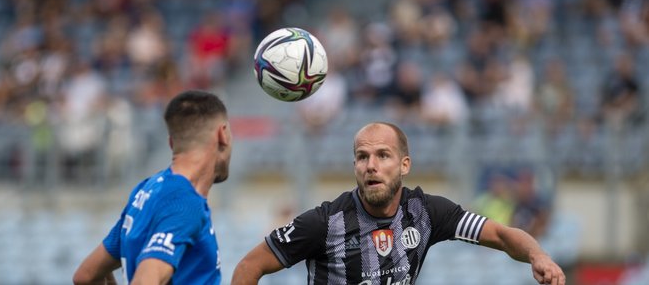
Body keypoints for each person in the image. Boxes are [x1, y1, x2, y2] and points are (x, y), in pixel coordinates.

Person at [231, 122, 566, 285]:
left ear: (405, 165)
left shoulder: (428, 213)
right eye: (362, 157)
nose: (370, 165)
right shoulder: (325, 222)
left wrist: (539, 256)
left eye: (382, 155)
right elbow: (249, 266)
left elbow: (503, 235)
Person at [73, 90, 232, 284]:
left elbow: (86, 276)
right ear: (222, 134)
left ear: (171, 142)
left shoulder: (146, 190)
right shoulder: (185, 204)